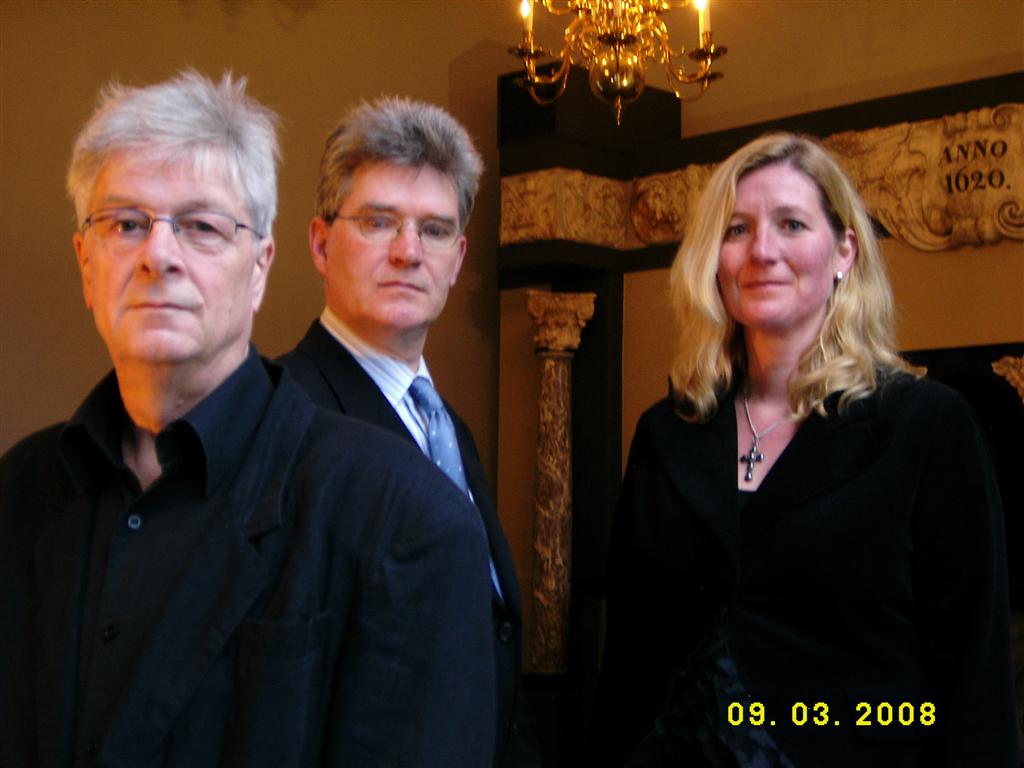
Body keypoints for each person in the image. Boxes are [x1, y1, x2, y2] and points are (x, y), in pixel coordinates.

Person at [0, 71, 497, 766]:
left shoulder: (408, 513)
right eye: (126, 224)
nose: (158, 256)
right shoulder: (18, 490)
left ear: (260, 267)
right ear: (86, 262)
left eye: (202, 226)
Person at [593, 133, 1019, 766]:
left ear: (844, 250)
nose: (762, 250)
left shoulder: (927, 426)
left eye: (791, 224)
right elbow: (628, 660)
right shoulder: (667, 431)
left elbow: (976, 674)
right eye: (737, 229)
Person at [279, 96, 537, 768]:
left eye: (434, 230)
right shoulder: (283, 419)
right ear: (320, 243)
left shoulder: (448, 427)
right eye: (378, 222)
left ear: (457, 258)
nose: (408, 252)